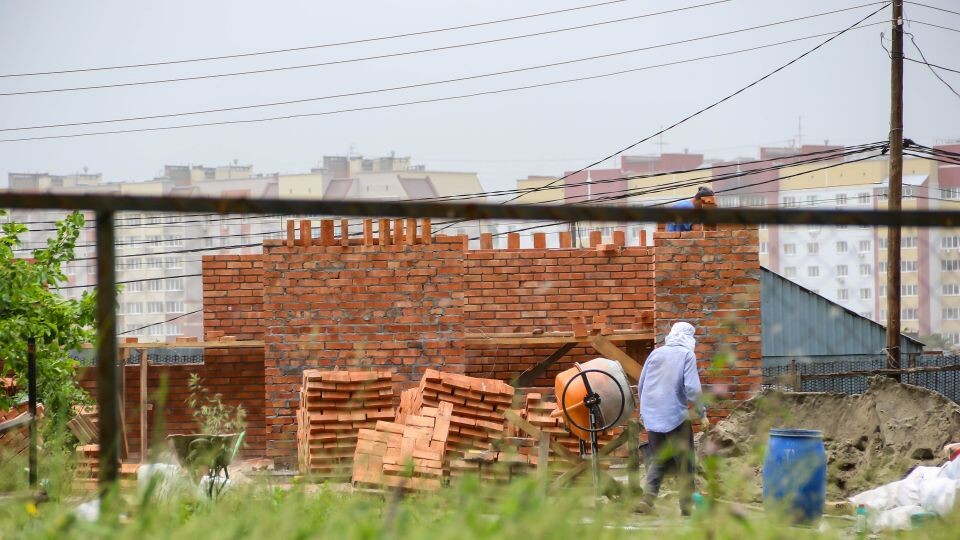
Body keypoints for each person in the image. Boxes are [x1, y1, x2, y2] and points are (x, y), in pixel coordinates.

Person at [636, 321, 708, 516]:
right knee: (685, 462)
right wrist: (702, 413)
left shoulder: (655, 353)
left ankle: (647, 500)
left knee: (659, 459)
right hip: (675, 416)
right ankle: (686, 508)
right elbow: (692, 389)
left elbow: (641, 385)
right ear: (689, 338)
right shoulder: (686, 355)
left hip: (652, 416)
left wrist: (645, 412)